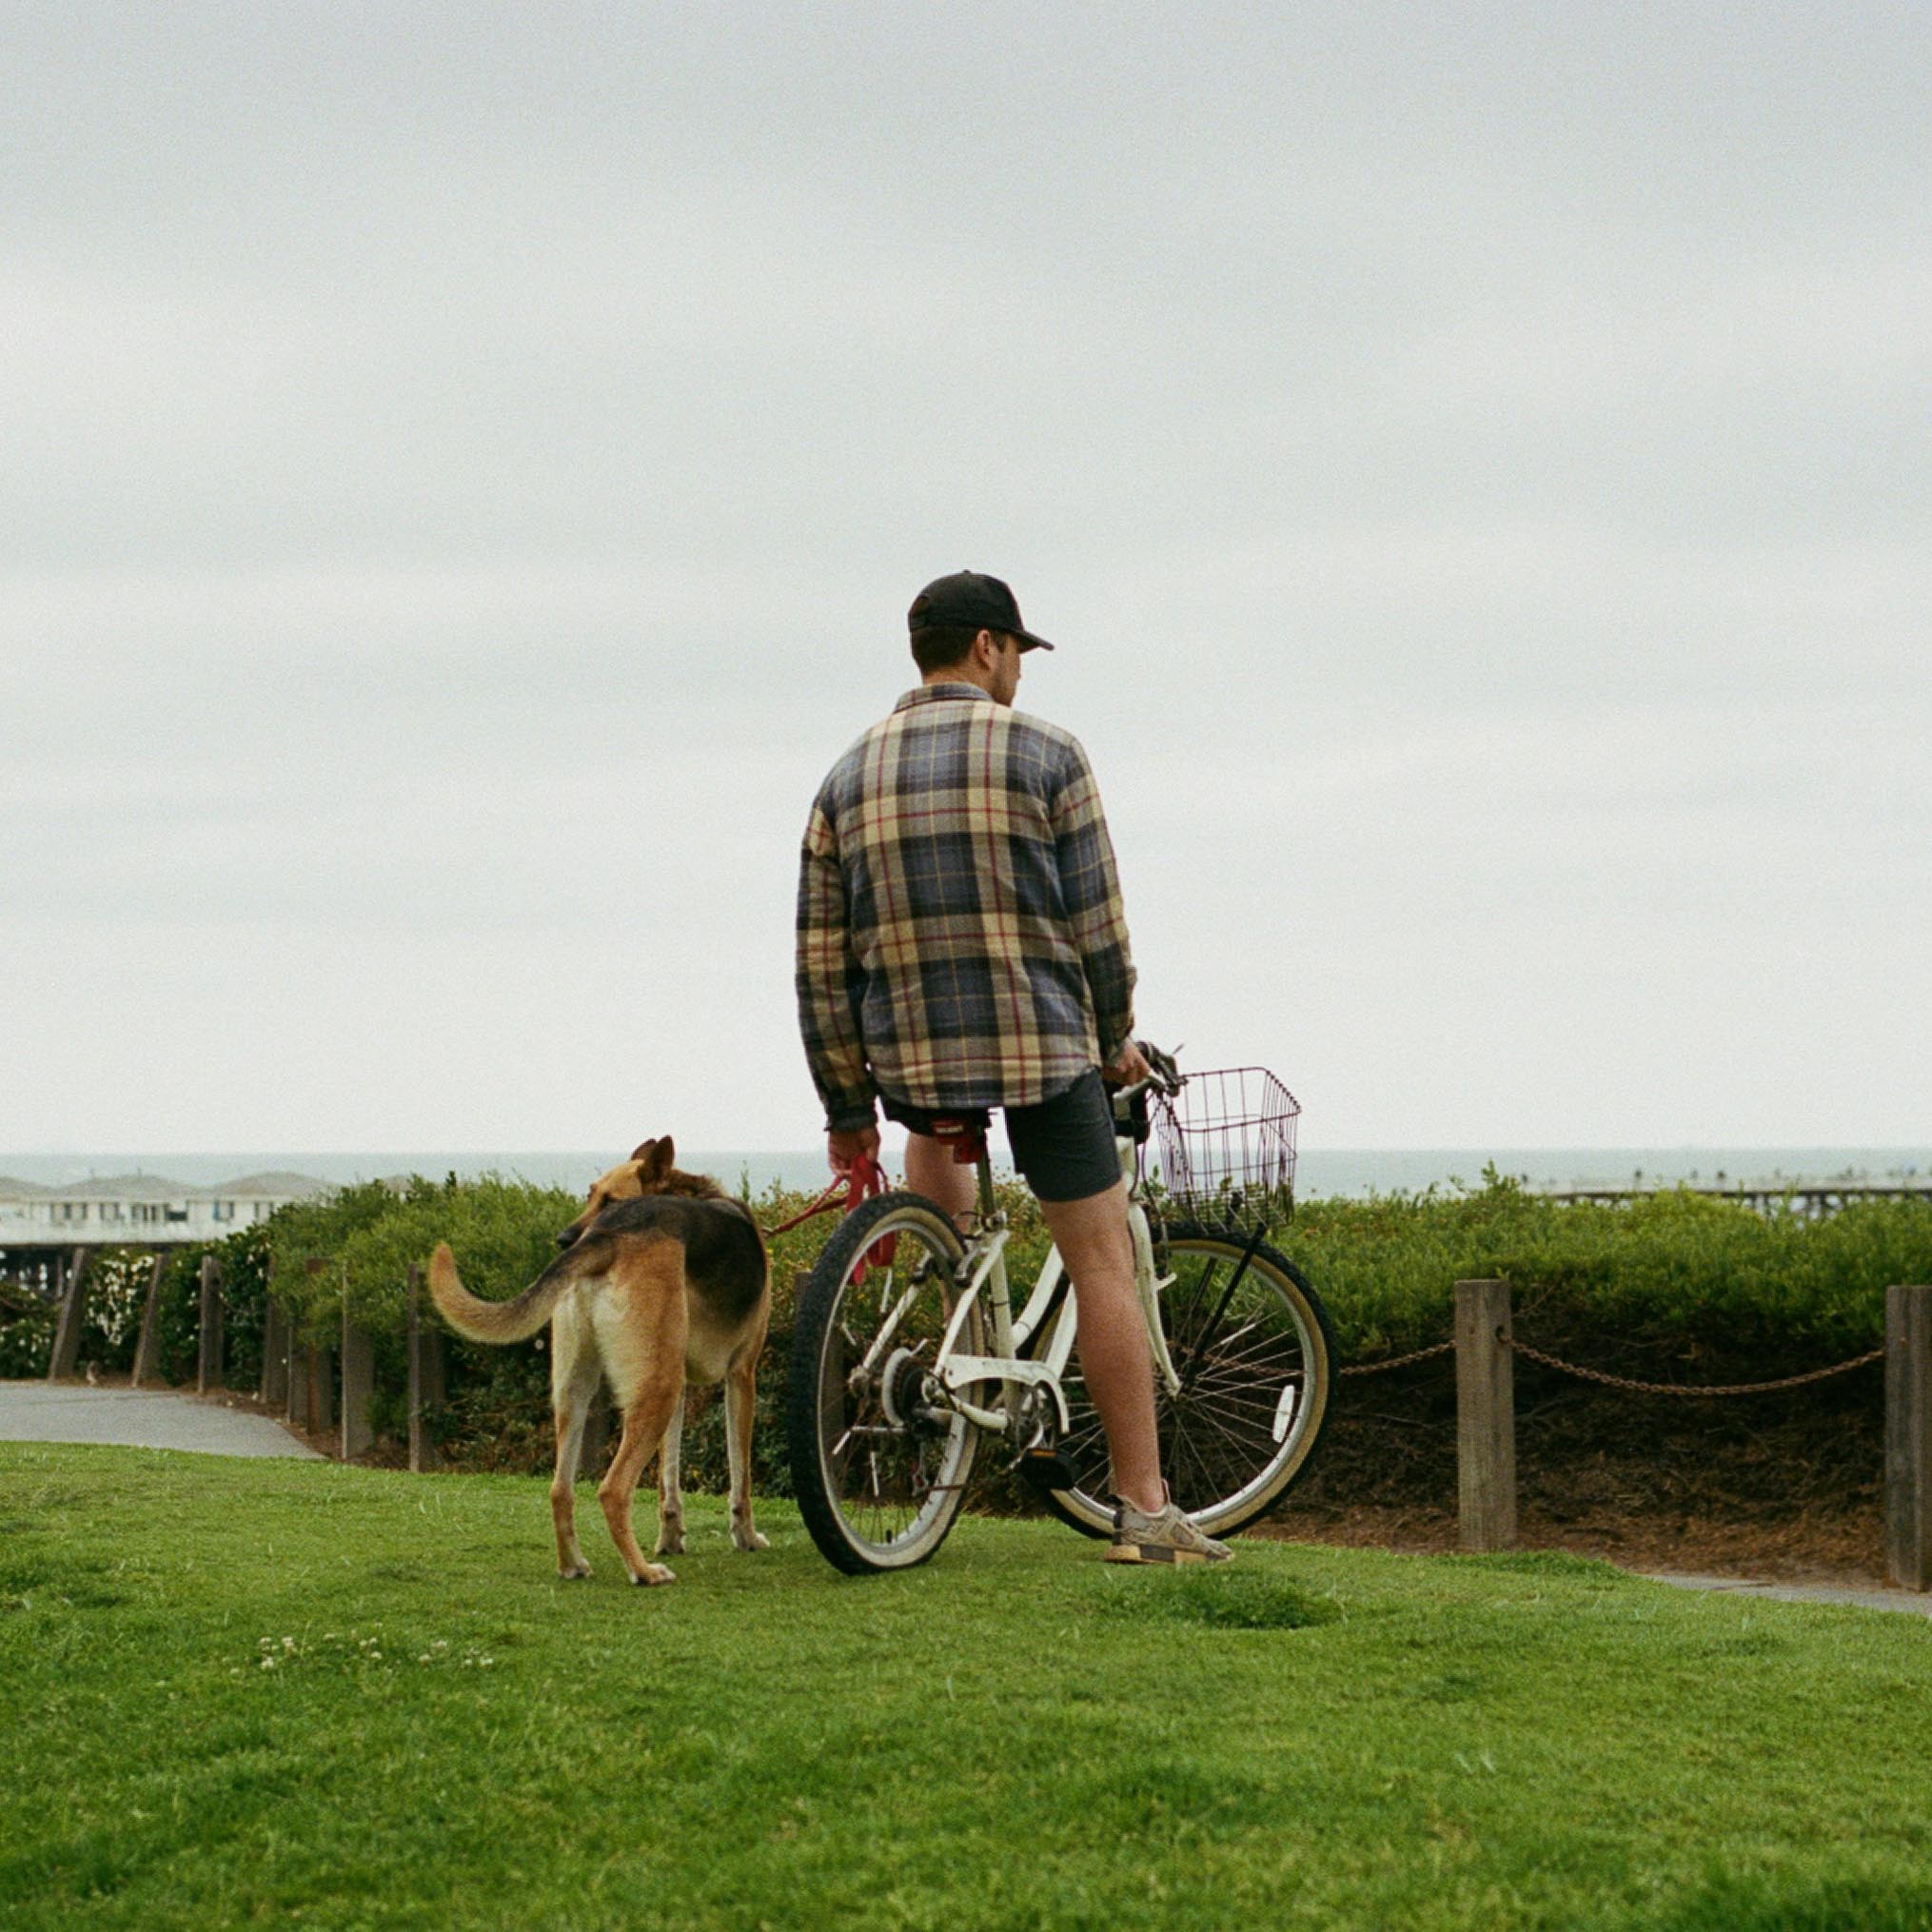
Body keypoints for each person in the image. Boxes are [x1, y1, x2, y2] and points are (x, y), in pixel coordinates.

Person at [795, 570, 1231, 1564]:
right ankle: (1143, 1507)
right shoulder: (1046, 753)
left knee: (947, 1215)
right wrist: (1113, 1034)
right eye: (1017, 655)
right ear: (988, 646)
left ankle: (951, 1337)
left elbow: (819, 958)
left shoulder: (845, 774)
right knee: (1100, 1259)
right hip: (1043, 1049)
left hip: (910, 1063)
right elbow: (1098, 928)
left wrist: (843, 1104)